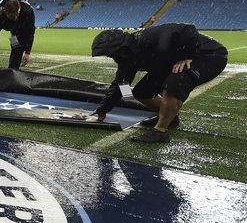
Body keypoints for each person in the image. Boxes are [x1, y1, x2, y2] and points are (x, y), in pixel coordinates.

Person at [89, 24, 228, 143]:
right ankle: (171, 118)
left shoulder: (148, 37)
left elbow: (189, 29)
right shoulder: (127, 61)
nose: (111, 57)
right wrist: (102, 110)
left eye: (110, 54)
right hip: (171, 62)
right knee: (141, 92)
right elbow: (121, 86)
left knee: (173, 83)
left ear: (120, 48)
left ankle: (160, 131)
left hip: (208, 55)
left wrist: (189, 55)